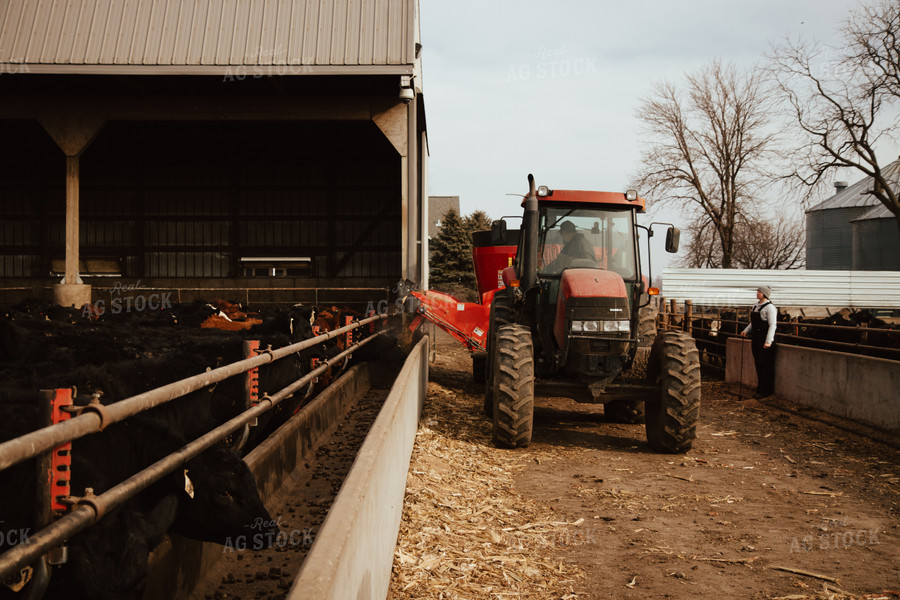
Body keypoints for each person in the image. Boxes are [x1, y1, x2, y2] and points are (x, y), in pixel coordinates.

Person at [740, 285, 777, 398]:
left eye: (759, 292)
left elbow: (772, 325)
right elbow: (753, 323)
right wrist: (746, 330)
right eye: (757, 291)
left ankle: (766, 391)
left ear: (765, 294)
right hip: (755, 338)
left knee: (766, 365)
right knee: (758, 364)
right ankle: (760, 389)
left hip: (764, 340)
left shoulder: (770, 308)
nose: (757, 293)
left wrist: (768, 341)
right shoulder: (755, 306)